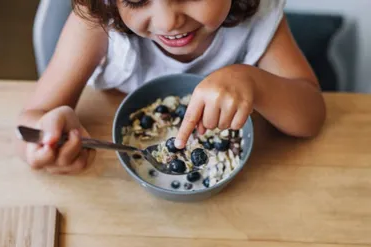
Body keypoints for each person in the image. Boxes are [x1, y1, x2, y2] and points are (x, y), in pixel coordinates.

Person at [16, 0, 326, 175]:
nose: (167, 22)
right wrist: (44, 140)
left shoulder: (258, 20)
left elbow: (312, 115)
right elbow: (30, 121)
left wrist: (254, 82)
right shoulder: (96, 27)